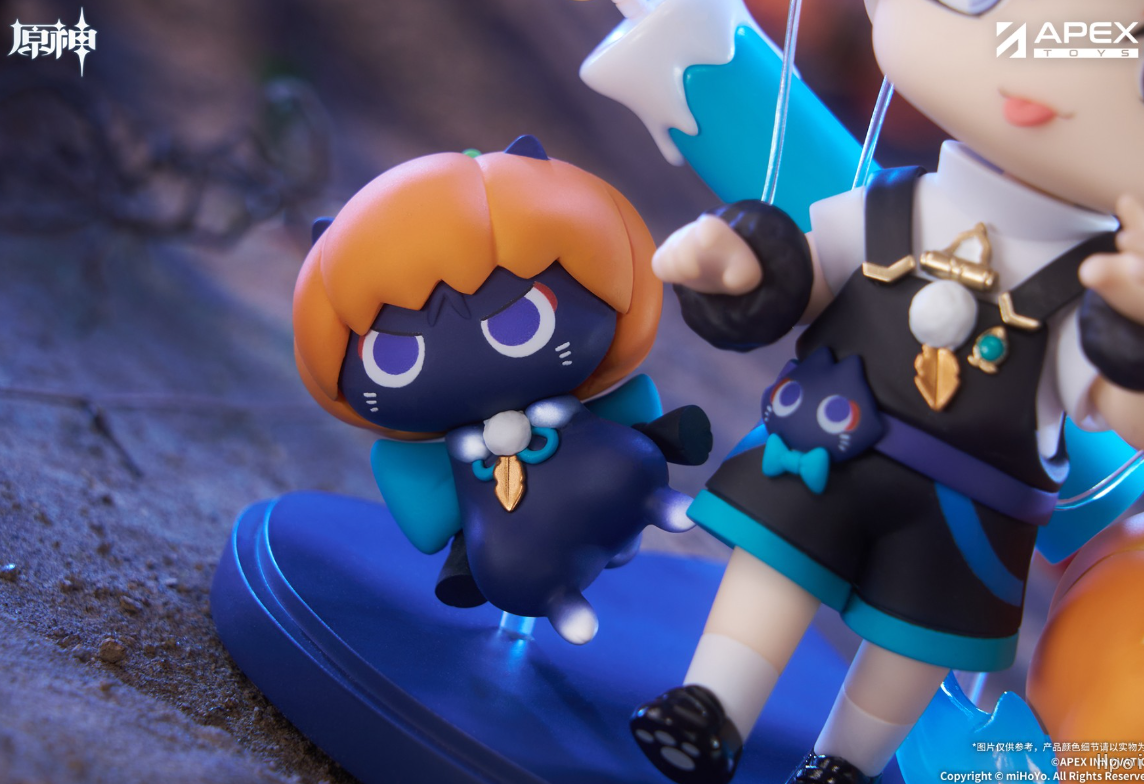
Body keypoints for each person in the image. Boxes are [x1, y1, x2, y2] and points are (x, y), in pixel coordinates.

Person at [629, 1, 1144, 782]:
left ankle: (844, 763)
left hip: (972, 511)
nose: (1043, 66)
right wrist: (743, 271)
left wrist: (1132, 341)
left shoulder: (1091, 295)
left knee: (914, 647)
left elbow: (1120, 410)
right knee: (775, 567)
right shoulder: (895, 206)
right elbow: (808, 273)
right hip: (830, 444)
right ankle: (710, 704)